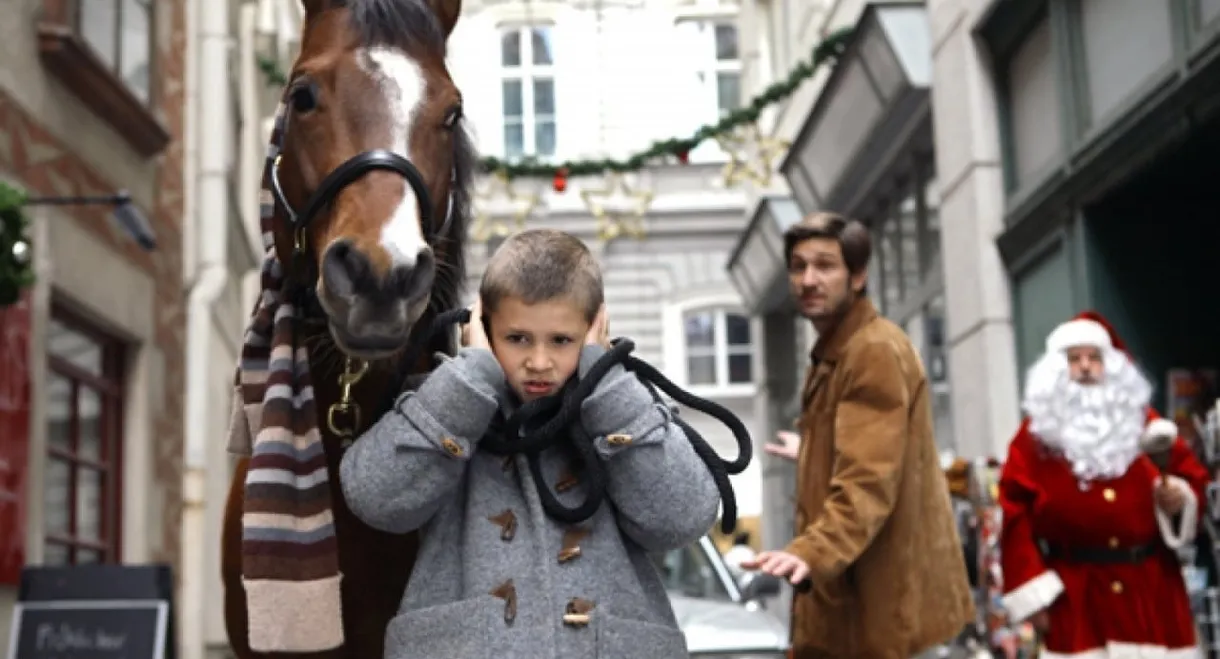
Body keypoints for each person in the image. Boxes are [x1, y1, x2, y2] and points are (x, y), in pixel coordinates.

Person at [339, 229, 720, 659]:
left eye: (561, 340)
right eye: (517, 338)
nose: (539, 362)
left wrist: (608, 387)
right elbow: (373, 497)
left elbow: (685, 518)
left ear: (596, 330)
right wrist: (468, 384)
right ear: (481, 327)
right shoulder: (447, 403)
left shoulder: (623, 407)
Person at [742, 211, 975, 658]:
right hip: (861, 615)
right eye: (798, 266)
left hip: (880, 620)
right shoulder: (844, 349)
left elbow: (868, 483)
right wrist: (813, 451)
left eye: (825, 265)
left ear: (858, 275)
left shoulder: (872, 351)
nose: (808, 279)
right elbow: (872, 450)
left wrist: (810, 551)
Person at [998, 311, 1210, 658]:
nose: (1085, 367)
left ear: (1111, 366)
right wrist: (1034, 598)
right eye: (1074, 359)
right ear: (1056, 370)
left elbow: (1192, 479)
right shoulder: (1033, 439)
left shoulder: (1145, 423)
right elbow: (1014, 516)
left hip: (1152, 595)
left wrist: (1179, 501)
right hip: (1077, 600)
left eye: (1094, 358)